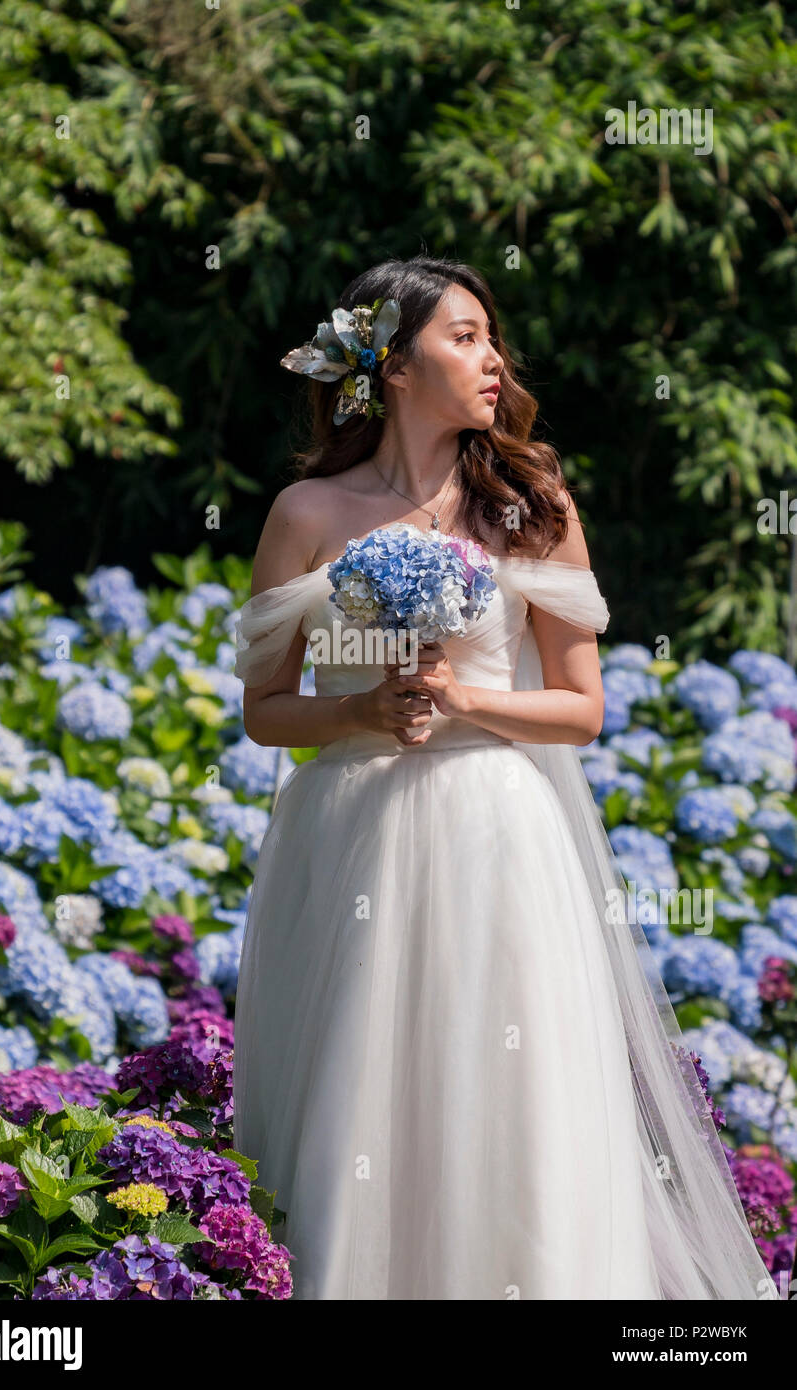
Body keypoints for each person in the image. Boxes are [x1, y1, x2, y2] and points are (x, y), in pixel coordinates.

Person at [231, 254, 776, 1300]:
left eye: (490, 338)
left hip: (498, 828)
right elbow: (265, 709)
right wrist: (359, 708)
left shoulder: (531, 503)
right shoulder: (307, 513)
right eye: (463, 337)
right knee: (362, 1087)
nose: (492, 360)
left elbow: (580, 710)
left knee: (507, 1090)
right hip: (350, 830)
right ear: (391, 366)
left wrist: (465, 699)